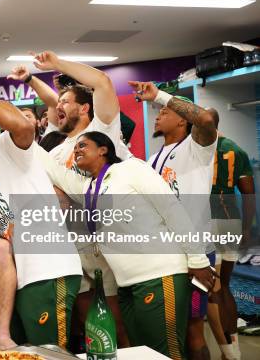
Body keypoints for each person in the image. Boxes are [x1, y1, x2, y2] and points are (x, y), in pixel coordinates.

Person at [47, 131, 215, 359]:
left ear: (103, 149)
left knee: (166, 353)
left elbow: (171, 210)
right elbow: (53, 169)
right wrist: (14, 138)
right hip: (125, 285)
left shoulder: (131, 169)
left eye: (83, 145)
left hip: (159, 275)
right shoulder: (89, 188)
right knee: (142, 353)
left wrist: (198, 259)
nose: (76, 150)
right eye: (75, 147)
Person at [0, 76, 83, 349]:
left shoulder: (7, 146)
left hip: (48, 271)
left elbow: (23, 126)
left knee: (51, 356)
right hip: (23, 279)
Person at [22, 51, 130, 348]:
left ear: (85, 108)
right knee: (91, 326)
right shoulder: (56, 149)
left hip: (104, 243)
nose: (57, 106)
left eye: (65, 102)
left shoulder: (101, 132)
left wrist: (56, 64)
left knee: (116, 324)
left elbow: (104, 82)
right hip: (70, 248)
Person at [130, 81, 218, 360]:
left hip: (195, 254)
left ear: (183, 119)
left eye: (164, 111)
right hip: (164, 256)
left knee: (194, 328)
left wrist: (160, 95)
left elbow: (205, 117)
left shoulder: (197, 148)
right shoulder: (153, 158)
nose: (158, 114)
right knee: (171, 329)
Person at [206, 108, 255, 360]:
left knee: (212, 289)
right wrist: (246, 228)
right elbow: (248, 193)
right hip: (230, 220)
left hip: (207, 221)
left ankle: (230, 353)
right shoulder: (237, 149)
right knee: (224, 286)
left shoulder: (195, 147)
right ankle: (232, 350)